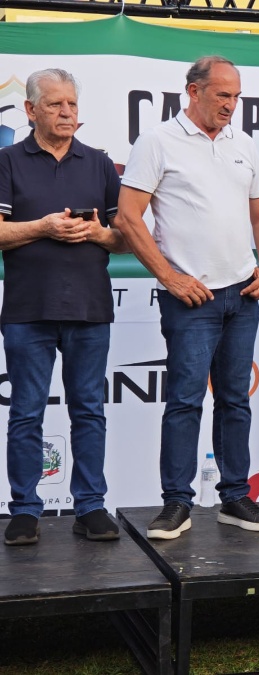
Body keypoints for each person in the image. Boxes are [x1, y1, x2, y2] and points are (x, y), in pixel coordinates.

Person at [117, 56, 259, 539]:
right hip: (190, 299)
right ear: (193, 91)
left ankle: (235, 497)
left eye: (237, 96)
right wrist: (170, 277)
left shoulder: (243, 144)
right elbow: (128, 217)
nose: (231, 105)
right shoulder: (157, 141)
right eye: (222, 95)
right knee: (185, 402)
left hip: (242, 295)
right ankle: (177, 503)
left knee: (235, 402)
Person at [0, 68, 126, 546]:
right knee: (26, 414)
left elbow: (125, 237)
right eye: (55, 104)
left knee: (89, 411)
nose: (67, 112)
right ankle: (25, 510)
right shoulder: (7, 161)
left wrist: (97, 234)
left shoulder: (100, 163)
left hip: (89, 309)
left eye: (72, 104)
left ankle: (90, 506)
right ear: (30, 110)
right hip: (27, 310)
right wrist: (43, 227)